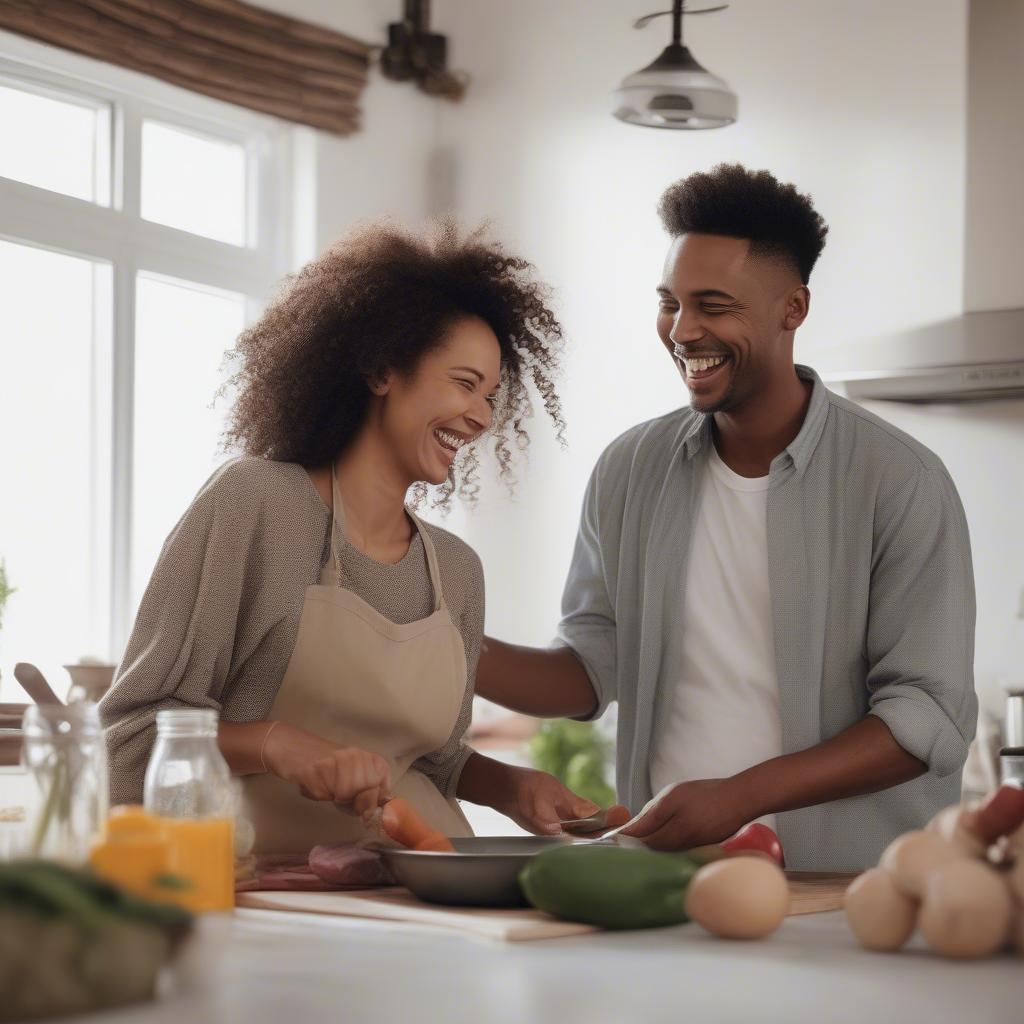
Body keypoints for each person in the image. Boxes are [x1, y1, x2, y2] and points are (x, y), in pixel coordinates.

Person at [475, 164, 977, 872]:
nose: (683, 331)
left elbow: (927, 717)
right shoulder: (629, 469)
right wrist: (442, 645)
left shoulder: (898, 481)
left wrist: (740, 796)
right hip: (666, 878)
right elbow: (591, 668)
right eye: (669, 303)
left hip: (843, 893)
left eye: (712, 305)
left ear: (792, 309)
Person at [100, 222, 600, 852]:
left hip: (428, 896)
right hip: (270, 895)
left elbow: (432, 760)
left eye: (492, 395)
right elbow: (135, 733)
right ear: (382, 370)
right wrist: (275, 743)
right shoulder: (254, 504)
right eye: (465, 383)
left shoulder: (457, 570)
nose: (481, 416)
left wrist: (509, 786)